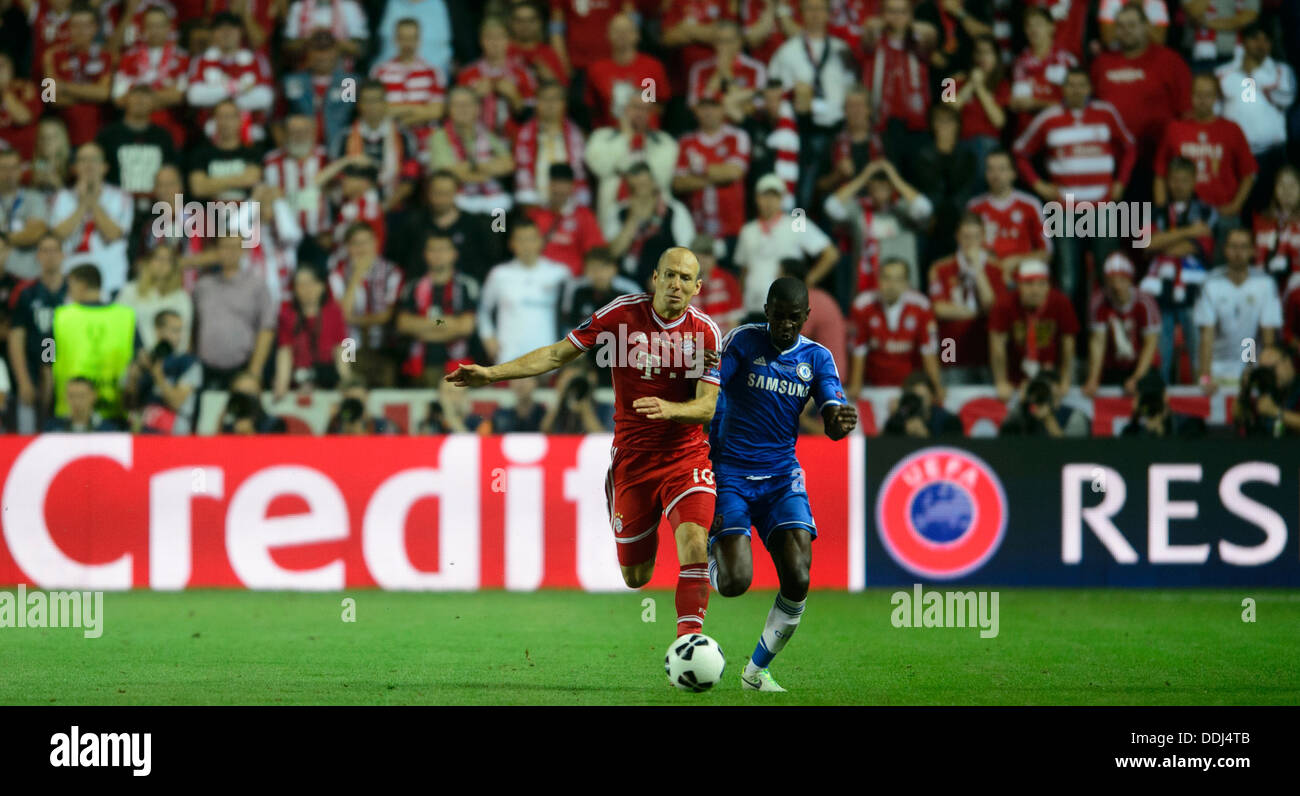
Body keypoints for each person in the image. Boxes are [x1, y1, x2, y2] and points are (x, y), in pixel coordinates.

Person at [446, 247, 722, 641]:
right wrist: (492, 375)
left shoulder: (706, 333)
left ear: (697, 287)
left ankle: (690, 643)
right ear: (655, 278)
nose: (676, 285)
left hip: (685, 456)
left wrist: (670, 409)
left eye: (685, 279)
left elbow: (707, 408)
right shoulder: (621, 315)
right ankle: (638, 513)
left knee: (694, 541)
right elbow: (558, 354)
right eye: (670, 275)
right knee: (635, 576)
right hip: (634, 460)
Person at [707, 276, 858, 691]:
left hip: (780, 477)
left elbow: (832, 416)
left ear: (806, 318)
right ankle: (709, 544)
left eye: (795, 319)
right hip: (730, 472)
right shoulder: (741, 341)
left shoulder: (818, 357)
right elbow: (710, 390)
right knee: (735, 583)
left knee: (798, 575)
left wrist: (840, 422)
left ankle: (755, 671)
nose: (786, 326)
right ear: (766, 310)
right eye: (779, 317)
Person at [1194, 227, 1283, 393]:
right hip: (1216, 368)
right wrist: (1205, 377)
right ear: (1225, 250)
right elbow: (1206, 335)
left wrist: (1251, 370)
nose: (1238, 252)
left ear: (1252, 251)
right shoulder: (1210, 284)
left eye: (1243, 247)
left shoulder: (1265, 284)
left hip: (1251, 368)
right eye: (1233, 246)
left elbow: (1265, 335)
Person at [50, 263, 137, 423]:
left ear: (81, 285)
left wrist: (46, 396)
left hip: (68, 409)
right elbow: (138, 359)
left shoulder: (59, 317)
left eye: (71, 285)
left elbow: (46, 359)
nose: (68, 291)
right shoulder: (126, 317)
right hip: (115, 406)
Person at [477, 215, 570, 365]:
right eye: (521, 240)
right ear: (512, 244)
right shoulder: (499, 274)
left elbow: (570, 313)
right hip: (508, 359)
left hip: (548, 362)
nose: (526, 245)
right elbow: (483, 310)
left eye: (531, 239)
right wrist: (487, 337)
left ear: (540, 241)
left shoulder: (560, 273)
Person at [847, 257, 941, 399]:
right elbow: (858, 350)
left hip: (910, 387)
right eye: (887, 278)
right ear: (878, 280)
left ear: (907, 283)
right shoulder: (862, 306)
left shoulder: (921, 306)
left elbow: (928, 351)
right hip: (873, 386)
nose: (892, 285)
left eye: (898, 279)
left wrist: (935, 387)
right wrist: (855, 386)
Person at [395, 233, 479, 388]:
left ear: (454, 254)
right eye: (433, 250)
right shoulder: (413, 286)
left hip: (459, 367)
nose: (438, 254)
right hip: (420, 368)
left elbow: (466, 327)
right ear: (425, 254)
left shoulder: (467, 285)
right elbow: (403, 325)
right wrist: (446, 323)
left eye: (443, 249)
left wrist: (422, 327)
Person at [988, 259, 1079, 401]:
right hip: (1015, 375)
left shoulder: (1061, 302)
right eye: (1029, 284)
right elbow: (997, 345)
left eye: (1041, 284)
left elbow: (1068, 344)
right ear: (1018, 285)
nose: (1035, 290)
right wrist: (1001, 381)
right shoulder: (1004, 304)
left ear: (1048, 285)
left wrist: (1065, 379)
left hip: (1049, 373)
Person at [8, 234, 66, 432]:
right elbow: (16, 337)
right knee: (30, 431)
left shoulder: (73, 290)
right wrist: (23, 380)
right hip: (34, 369)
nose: (50, 256)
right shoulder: (26, 292)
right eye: (44, 250)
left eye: (54, 250)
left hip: (65, 370)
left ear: (63, 255)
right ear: (38, 256)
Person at [1082, 252, 1162, 396]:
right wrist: (1093, 378)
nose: (1117, 286)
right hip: (1114, 366)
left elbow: (1150, 344)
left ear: (1130, 280)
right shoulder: (1099, 302)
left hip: (1143, 364)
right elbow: (1097, 342)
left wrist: (1137, 377)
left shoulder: (1145, 302)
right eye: (1112, 280)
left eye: (1121, 279)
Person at [273, 264, 350, 401]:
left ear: (321, 286)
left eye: (310, 283)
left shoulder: (334, 312)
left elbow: (342, 347)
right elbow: (285, 350)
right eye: (300, 285)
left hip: (329, 376)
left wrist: (346, 378)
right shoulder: (287, 315)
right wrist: (282, 382)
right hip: (298, 378)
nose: (306, 289)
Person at [126, 308, 202, 434]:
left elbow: (176, 402)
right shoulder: (145, 360)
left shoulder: (189, 363)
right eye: (174, 331)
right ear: (158, 330)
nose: (178, 336)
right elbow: (129, 405)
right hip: (144, 432)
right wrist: (133, 379)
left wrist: (157, 374)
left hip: (174, 435)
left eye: (180, 331)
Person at [115, 246, 193, 353]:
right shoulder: (130, 291)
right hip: (134, 358)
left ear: (174, 266)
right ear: (147, 262)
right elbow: (118, 325)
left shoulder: (182, 297)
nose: (162, 264)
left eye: (168, 260)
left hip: (168, 361)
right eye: (158, 258)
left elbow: (184, 335)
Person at [998, 370, 1090, 437]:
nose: (1045, 391)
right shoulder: (1024, 412)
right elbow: (1005, 437)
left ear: (1058, 388)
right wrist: (1021, 403)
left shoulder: (1073, 416)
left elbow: (1074, 449)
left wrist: (1048, 418)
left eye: (1049, 386)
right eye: (1040, 388)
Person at [1120, 371, 1208, 439]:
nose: (1149, 405)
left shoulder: (1191, 426)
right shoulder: (1131, 432)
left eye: (1153, 398)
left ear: (1165, 397)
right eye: (1144, 400)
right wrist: (1148, 432)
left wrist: (1161, 430)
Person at [882, 370, 964, 438]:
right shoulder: (900, 417)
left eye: (922, 398)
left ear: (932, 397)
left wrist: (925, 436)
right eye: (913, 398)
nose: (917, 403)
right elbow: (881, 446)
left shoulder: (949, 421)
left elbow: (952, 451)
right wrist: (894, 416)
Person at [43, 376, 122, 431]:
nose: (76, 401)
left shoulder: (109, 430)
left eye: (81, 396)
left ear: (94, 396)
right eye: (72, 396)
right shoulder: (52, 428)